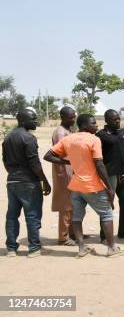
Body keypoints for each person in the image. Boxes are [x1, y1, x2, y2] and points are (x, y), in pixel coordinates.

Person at [44, 114, 124, 258]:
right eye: (93, 123)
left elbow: (48, 155)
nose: (97, 126)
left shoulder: (68, 139)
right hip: (92, 186)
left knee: (77, 217)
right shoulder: (94, 139)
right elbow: (99, 164)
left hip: (75, 186)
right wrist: (109, 188)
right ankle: (112, 248)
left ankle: (81, 248)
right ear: (84, 126)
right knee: (106, 214)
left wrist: (67, 162)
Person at [3, 110, 51, 258]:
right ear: (23, 121)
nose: (36, 121)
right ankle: (34, 248)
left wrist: (14, 174)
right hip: (29, 182)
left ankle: (11, 249)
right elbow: (35, 164)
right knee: (32, 215)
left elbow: (5, 161)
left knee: (12, 215)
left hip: (12, 181)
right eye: (33, 119)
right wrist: (45, 181)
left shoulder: (8, 137)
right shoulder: (29, 138)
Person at [97, 109, 124, 242]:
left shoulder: (121, 132)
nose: (118, 121)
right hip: (110, 174)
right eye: (115, 119)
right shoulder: (101, 135)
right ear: (107, 120)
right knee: (108, 204)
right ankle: (104, 235)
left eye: (119, 118)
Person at [51, 106, 76, 246]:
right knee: (65, 206)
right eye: (71, 117)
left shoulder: (68, 131)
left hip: (70, 172)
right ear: (63, 117)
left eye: (74, 116)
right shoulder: (60, 133)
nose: (73, 119)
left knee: (72, 205)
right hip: (64, 173)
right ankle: (63, 237)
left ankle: (72, 232)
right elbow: (59, 154)